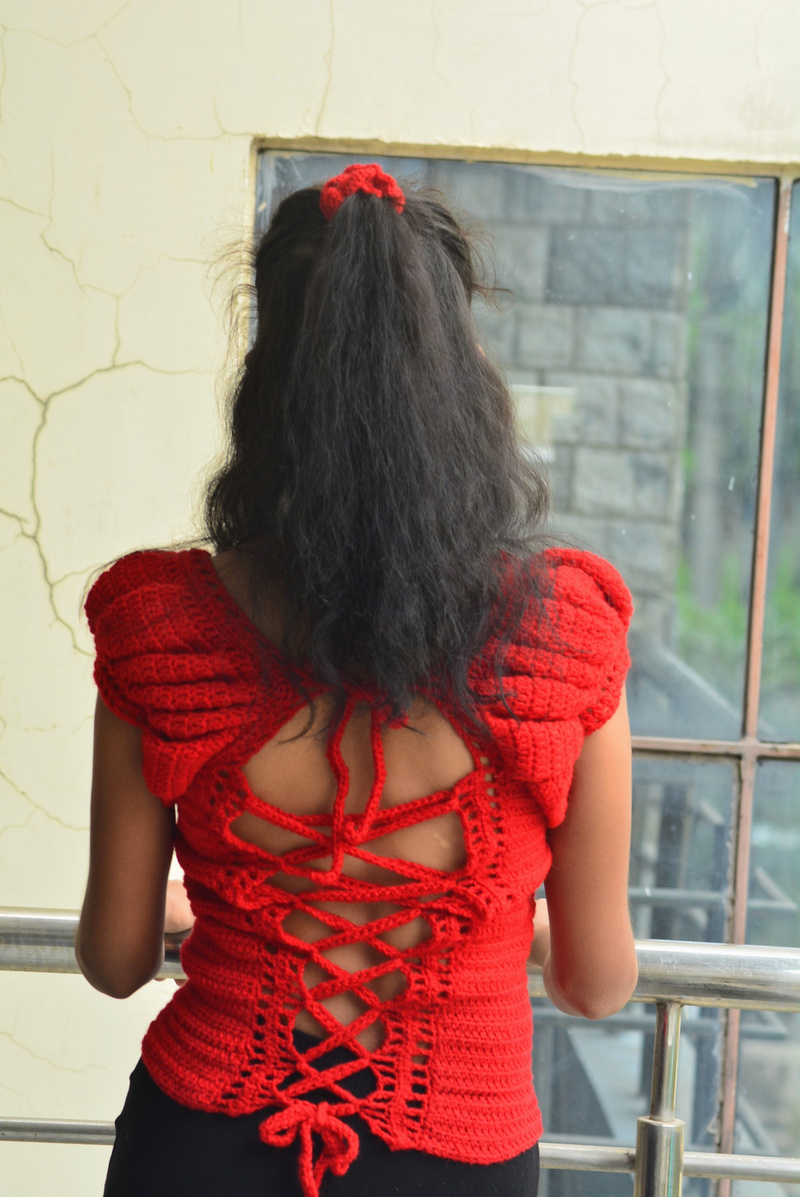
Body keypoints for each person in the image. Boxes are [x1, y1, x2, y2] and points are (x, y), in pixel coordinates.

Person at [76, 163, 638, 1197]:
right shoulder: (559, 639)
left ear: (268, 387)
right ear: (463, 377)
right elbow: (596, 984)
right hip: (457, 1155)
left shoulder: (163, 629)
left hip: (200, 1145)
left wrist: (240, 902)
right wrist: (481, 917)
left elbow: (116, 959)